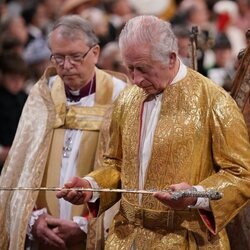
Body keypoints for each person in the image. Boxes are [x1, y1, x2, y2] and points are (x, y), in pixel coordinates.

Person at [57, 15, 250, 249]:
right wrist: (91, 186)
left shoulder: (214, 101)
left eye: (143, 69)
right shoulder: (127, 100)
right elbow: (116, 164)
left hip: (187, 240)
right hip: (125, 238)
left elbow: (240, 174)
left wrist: (197, 195)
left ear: (171, 58)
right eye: (129, 68)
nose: (136, 79)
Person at [0, 15, 128, 250]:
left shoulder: (121, 97)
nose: (66, 65)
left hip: (93, 231)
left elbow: (126, 172)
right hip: (41, 233)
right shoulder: (42, 95)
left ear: (95, 53)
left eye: (76, 57)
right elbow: (20, 171)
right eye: (58, 57)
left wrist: (86, 228)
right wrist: (32, 220)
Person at [0, 51, 29, 173]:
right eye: (13, 78)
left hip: (20, 156)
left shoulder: (26, 98)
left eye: (21, 79)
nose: (17, 83)